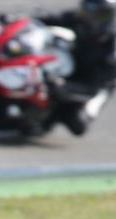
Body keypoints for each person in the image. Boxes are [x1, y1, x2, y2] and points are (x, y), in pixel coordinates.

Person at [36, 0, 116, 135]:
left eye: (99, 15)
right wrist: (17, 21)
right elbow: (44, 21)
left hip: (91, 83)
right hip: (66, 68)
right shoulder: (75, 19)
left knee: (77, 124)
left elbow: (92, 87)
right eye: (87, 11)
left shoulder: (110, 50)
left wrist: (63, 86)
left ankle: (56, 114)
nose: (90, 18)